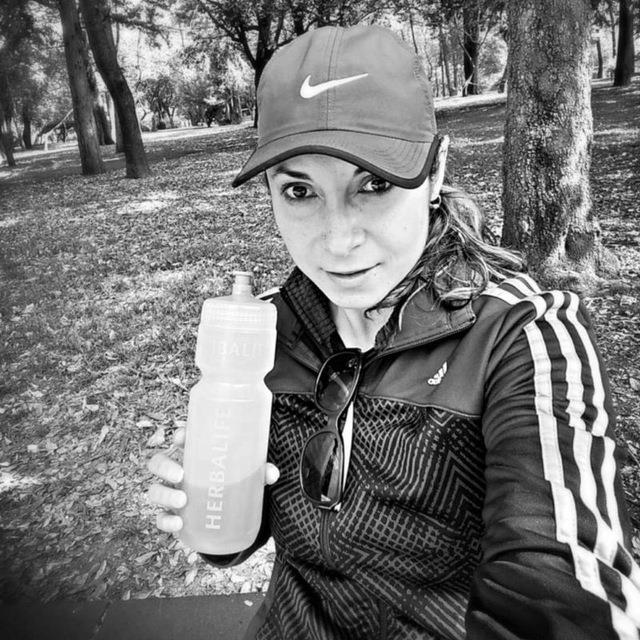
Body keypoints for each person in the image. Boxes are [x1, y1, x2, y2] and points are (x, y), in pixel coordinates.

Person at [147, 24, 640, 640]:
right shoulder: (268, 334)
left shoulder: (522, 335)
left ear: (434, 172)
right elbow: (251, 530)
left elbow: (563, 591)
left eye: (374, 184)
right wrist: (218, 507)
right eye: (299, 191)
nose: (338, 239)